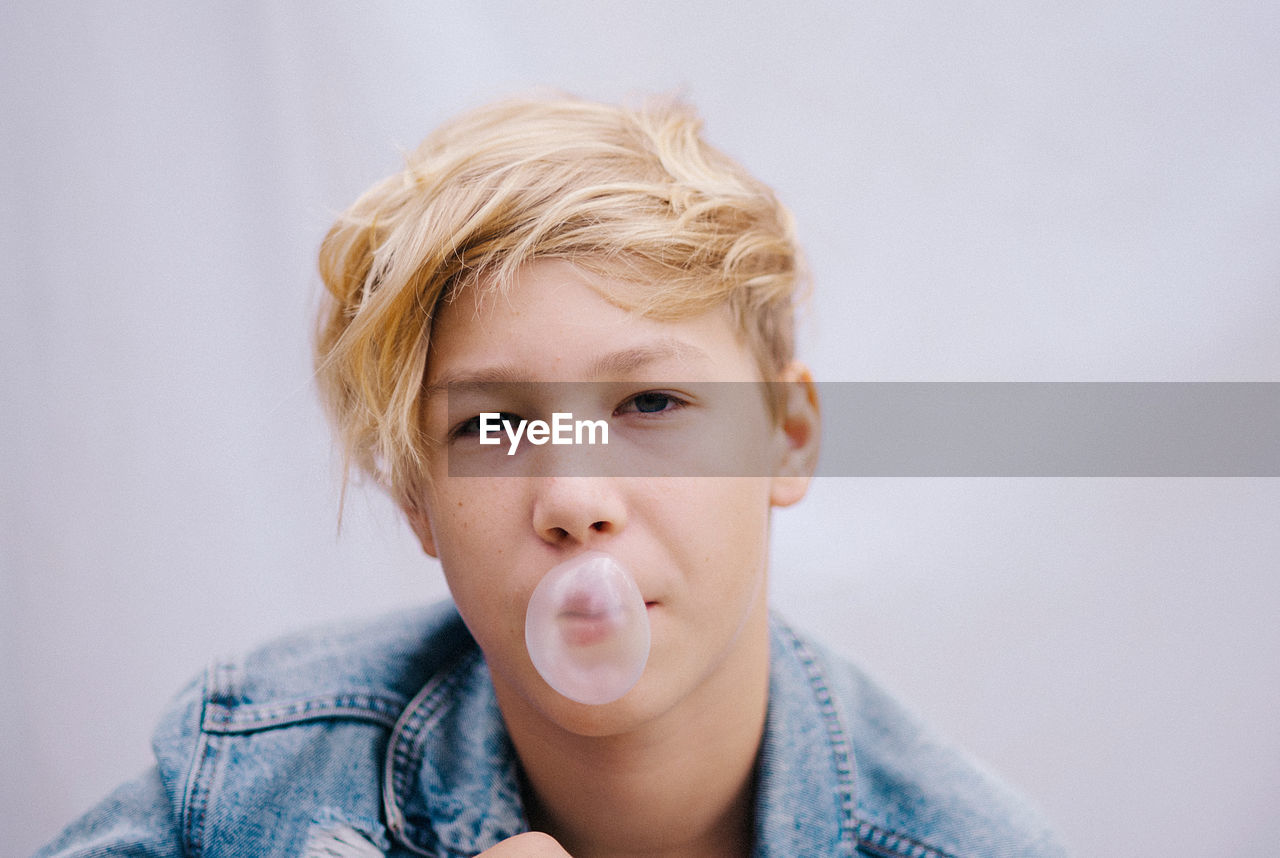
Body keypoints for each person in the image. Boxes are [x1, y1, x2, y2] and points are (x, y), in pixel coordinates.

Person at [37, 94, 1066, 857]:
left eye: (649, 406)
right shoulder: (260, 779)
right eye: (492, 423)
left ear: (786, 436)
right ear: (415, 497)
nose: (573, 498)